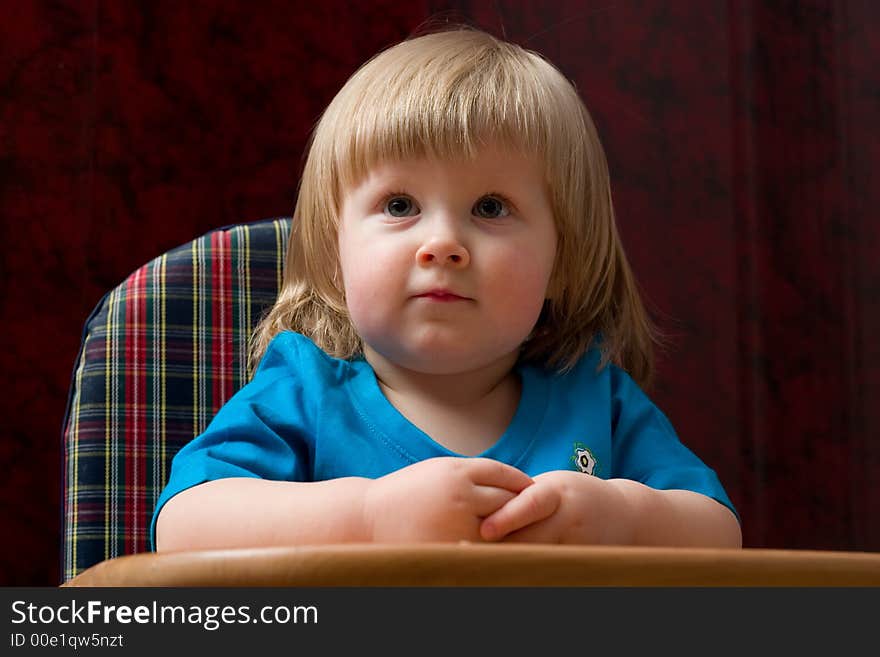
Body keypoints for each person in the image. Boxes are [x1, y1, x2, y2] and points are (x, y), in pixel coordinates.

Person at [152, 27, 741, 551]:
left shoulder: (592, 397)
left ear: (562, 259)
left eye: (490, 207)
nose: (443, 244)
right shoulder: (304, 393)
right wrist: (370, 516)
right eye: (400, 205)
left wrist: (625, 520)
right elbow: (184, 523)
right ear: (335, 254)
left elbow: (720, 533)